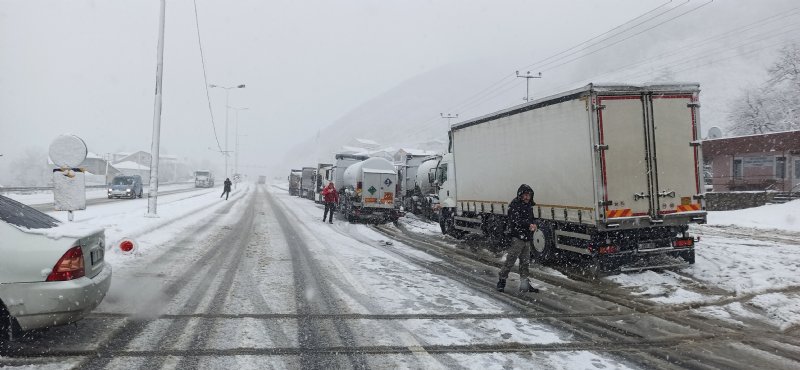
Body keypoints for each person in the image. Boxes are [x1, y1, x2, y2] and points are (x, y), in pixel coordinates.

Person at [497, 184, 540, 293]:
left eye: (528, 195)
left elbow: (532, 218)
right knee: (510, 261)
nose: (527, 197)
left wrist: (534, 224)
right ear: (520, 195)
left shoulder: (529, 206)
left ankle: (524, 284)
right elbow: (515, 220)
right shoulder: (515, 205)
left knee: (525, 262)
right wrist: (529, 225)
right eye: (525, 195)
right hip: (517, 238)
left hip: (526, 238)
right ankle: (501, 281)